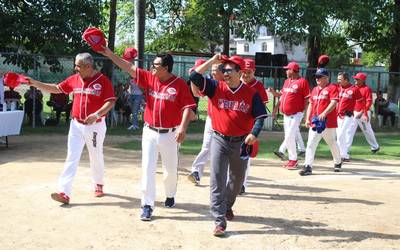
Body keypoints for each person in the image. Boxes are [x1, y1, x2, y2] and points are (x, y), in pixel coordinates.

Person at [99, 47, 196, 221]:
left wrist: (182, 128)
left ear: (166, 68)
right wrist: (108, 53)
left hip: (170, 133)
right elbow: (128, 67)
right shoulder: (150, 78)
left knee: (170, 171)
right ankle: (147, 204)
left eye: (155, 65)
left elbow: (188, 107)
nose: (152, 67)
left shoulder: (179, 84)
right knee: (147, 168)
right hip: (150, 131)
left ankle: (170, 194)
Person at [189, 54, 267, 237]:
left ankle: (227, 206)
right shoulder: (216, 87)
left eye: (229, 70)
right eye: (223, 70)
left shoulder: (250, 93)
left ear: (240, 72)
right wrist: (212, 61)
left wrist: (253, 134)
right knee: (217, 178)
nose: (225, 72)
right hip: (219, 139)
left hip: (241, 142)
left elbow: (260, 117)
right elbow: (193, 76)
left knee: (237, 181)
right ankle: (219, 220)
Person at [26, 52, 116, 204]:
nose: (75, 69)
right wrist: (35, 83)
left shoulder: (102, 80)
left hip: (95, 125)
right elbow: (57, 88)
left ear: (88, 66)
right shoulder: (75, 79)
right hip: (76, 125)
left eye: (78, 66)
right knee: (71, 157)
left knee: (95, 156)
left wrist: (97, 114)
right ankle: (64, 192)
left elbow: (110, 102)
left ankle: (98, 183)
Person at [187, 61, 224, 185]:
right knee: (206, 146)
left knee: (225, 150)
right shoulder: (210, 84)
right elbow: (195, 93)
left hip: (226, 121)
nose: (213, 73)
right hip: (211, 119)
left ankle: (230, 178)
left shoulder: (228, 82)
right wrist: (193, 80)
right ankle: (196, 172)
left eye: (215, 70)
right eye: (212, 70)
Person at [299, 68, 341, 176]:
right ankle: (308, 166)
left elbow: (334, 102)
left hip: (328, 122)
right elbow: (311, 105)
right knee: (311, 144)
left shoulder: (332, 88)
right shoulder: (314, 90)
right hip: (316, 121)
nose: (317, 78)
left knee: (331, 142)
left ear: (326, 78)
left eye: (320, 76)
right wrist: (307, 118)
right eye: (316, 76)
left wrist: (325, 113)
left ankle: (338, 161)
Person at [271, 62, 310, 170]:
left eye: (287, 69)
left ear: (293, 70)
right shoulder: (287, 81)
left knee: (289, 136)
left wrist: (307, 115)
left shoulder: (302, 82)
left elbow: (307, 99)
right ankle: (293, 160)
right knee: (289, 137)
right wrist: (275, 107)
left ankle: (293, 159)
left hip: (296, 114)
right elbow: (282, 96)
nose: (286, 71)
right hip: (286, 114)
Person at [240, 58, 269, 193]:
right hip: (235, 125)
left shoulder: (258, 86)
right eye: (244, 72)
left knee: (245, 156)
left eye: (249, 72)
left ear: (254, 71)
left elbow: (262, 108)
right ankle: (232, 182)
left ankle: (242, 184)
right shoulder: (236, 82)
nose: (245, 75)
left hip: (250, 126)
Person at [347, 72, 380, 154]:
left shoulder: (366, 89)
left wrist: (362, 112)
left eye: (357, 79)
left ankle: (375, 146)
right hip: (353, 112)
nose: (355, 80)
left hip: (364, 113)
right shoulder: (352, 88)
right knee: (349, 130)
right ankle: (345, 150)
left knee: (367, 130)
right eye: (355, 78)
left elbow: (369, 102)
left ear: (362, 80)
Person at [336, 72, 363, 162]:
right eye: (338, 79)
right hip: (338, 116)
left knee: (340, 135)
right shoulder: (338, 88)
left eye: (340, 79)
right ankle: (344, 155)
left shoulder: (354, 89)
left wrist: (362, 112)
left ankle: (341, 155)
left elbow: (361, 102)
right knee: (340, 136)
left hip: (348, 116)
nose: (338, 81)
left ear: (346, 80)